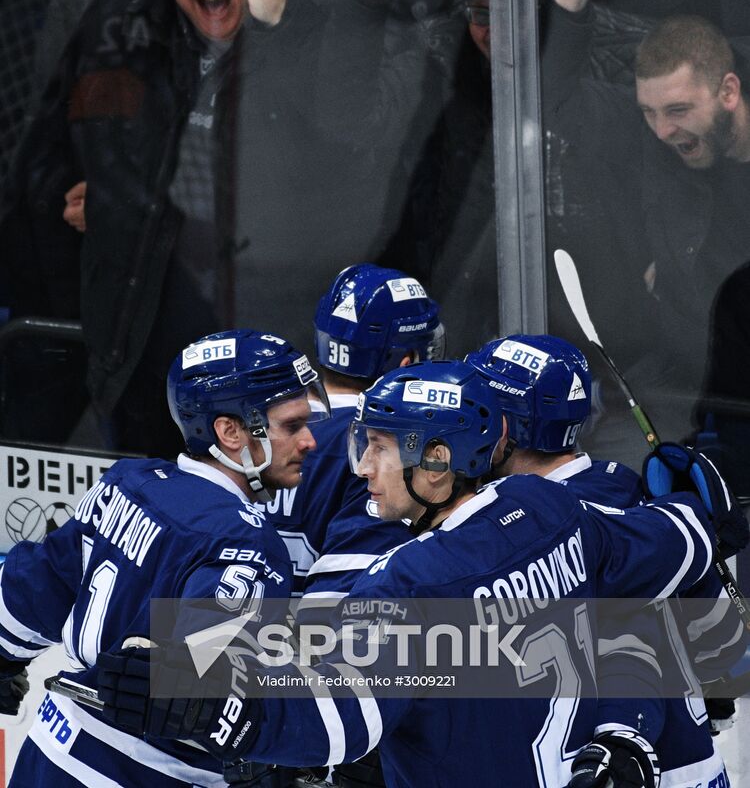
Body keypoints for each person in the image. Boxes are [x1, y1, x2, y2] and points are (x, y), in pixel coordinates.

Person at [96, 359, 739, 787]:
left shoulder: (416, 586)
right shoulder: (551, 512)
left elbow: (337, 719)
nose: (360, 468)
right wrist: (703, 507)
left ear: (436, 461)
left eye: (377, 447)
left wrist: (209, 704)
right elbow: (672, 548)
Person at [7, 0, 314, 455]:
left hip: (267, 344)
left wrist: (280, 34)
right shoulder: (129, 30)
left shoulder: (310, 26)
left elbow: (325, 160)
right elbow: (32, 140)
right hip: (142, 346)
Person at [0, 328, 329, 787]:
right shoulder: (247, 543)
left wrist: (6, 655)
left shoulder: (128, 481)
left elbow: (39, 584)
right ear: (230, 431)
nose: (310, 440)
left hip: (49, 751)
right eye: (292, 426)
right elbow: (200, 686)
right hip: (145, 774)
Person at [467, 332, 738, 786]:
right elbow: (722, 644)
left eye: (476, 410)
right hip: (694, 765)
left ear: (507, 426)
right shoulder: (638, 494)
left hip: (617, 768)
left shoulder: (527, 528)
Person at [545, 0, 750, 437]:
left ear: (728, 91)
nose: (662, 130)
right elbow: (551, 96)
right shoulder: (649, 137)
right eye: (649, 112)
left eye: (678, 110)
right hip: (691, 388)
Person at [265, 262, 445, 598]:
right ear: (407, 362)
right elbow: (346, 606)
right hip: (310, 643)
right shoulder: (382, 448)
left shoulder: (265, 427)